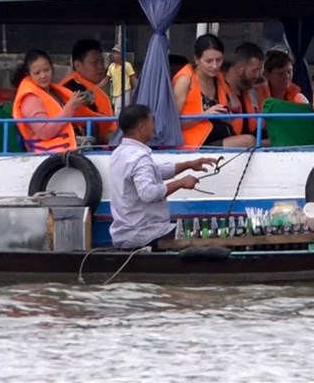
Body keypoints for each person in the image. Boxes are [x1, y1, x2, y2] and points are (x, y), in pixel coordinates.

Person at [109, 104, 217, 250]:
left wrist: (189, 164)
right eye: (151, 121)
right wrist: (181, 183)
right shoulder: (139, 157)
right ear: (142, 127)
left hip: (125, 233)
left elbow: (153, 171)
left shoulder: (119, 153)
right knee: (201, 235)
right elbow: (148, 193)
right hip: (144, 233)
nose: (154, 126)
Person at [172, 34, 254, 149]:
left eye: (219, 60)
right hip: (193, 144)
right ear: (196, 59)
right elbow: (172, 123)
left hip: (218, 136)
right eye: (209, 61)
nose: (215, 66)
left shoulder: (219, 79)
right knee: (249, 141)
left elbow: (232, 108)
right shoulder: (185, 81)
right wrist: (204, 115)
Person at [12, 50, 90, 153]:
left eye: (47, 70)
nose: (43, 76)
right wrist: (70, 108)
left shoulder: (52, 92)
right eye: (37, 73)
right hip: (48, 155)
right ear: (28, 74)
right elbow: (44, 132)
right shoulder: (30, 98)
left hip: (67, 149)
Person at [60, 39, 115, 143]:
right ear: (78, 65)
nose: (100, 67)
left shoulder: (85, 85)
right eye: (94, 63)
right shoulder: (73, 88)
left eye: (102, 62)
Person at [224, 42, 264, 137]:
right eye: (254, 70)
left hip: (251, 146)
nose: (258, 76)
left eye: (259, 71)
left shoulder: (253, 94)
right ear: (239, 68)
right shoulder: (218, 93)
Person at [106, 45, 138, 115]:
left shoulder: (127, 65)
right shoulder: (111, 66)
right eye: (114, 53)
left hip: (125, 92)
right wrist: (95, 87)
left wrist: (138, 89)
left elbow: (133, 79)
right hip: (115, 94)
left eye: (117, 53)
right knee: (117, 112)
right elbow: (106, 80)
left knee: (120, 113)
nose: (115, 55)